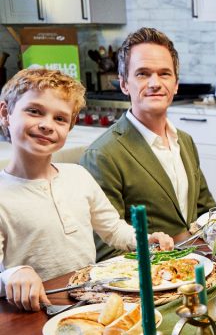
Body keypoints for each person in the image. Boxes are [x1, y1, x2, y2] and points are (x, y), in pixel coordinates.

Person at [0, 68, 174, 311]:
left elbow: (113, 229)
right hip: (30, 313)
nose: (47, 125)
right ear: (6, 113)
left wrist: (144, 240)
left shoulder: (78, 176)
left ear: (69, 128)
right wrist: (13, 273)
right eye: (34, 111)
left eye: (60, 119)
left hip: (88, 301)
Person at [80, 27, 216, 261]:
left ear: (175, 84)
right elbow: (106, 251)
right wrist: (176, 253)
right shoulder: (103, 155)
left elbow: (206, 213)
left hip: (200, 273)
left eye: (164, 74)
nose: (155, 83)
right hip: (149, 285)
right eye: (143, 74)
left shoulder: (184, 141)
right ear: (124, 84)